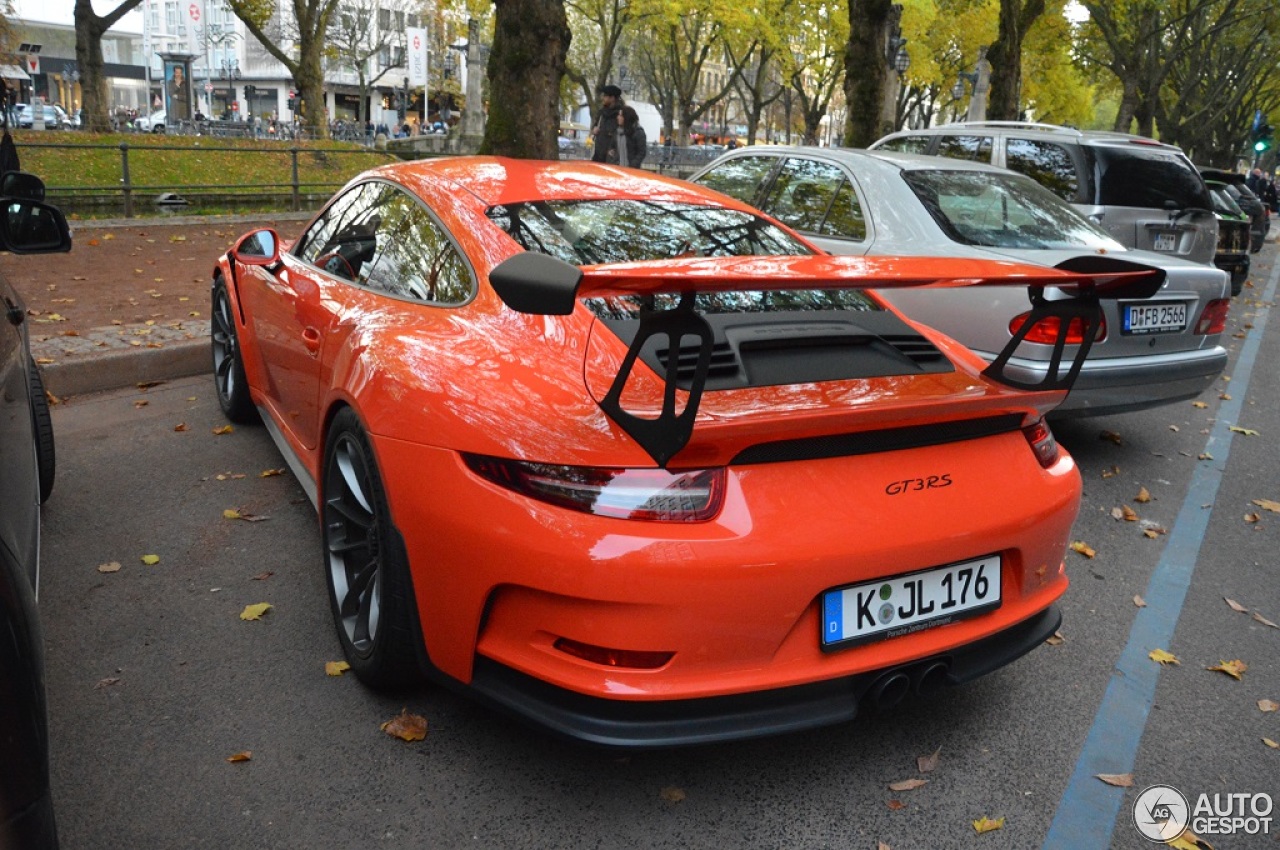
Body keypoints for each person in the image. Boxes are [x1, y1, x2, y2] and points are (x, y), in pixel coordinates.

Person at [591, 84, 624, 164]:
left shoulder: (621, 114)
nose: (603, 98)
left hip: (612, 160)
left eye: (605, 96)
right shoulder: (601, 112)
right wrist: (594, 130)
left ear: (612, 98)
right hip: (598, 157)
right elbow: (594, 126)